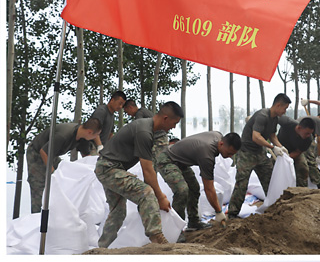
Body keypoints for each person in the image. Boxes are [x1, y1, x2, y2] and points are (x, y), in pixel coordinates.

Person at [95, 101, 184, 246]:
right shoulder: (144, 132)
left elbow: (149, 169)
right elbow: (147, 171)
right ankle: (156, 236)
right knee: (146, 193)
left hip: (108, 167)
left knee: (118, 212)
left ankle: (103, 248)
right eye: (175, 123)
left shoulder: (147, 128)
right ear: (166, 118)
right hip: (108, 169)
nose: (174, 127)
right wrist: (160, 197)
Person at [157, 131, 241, 232]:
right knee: (182, 190)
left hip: (181, 162)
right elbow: (209, 188)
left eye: (232, 154)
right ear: (221, 144)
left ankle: (193, 222)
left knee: (194, 188)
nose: (230, 156)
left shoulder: (218, 136)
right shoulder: (207, 155)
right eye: (229, 153)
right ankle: (176, 230)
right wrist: (219, 211)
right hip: (167, 159)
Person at [227, 93, 291, 219]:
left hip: (260, 152)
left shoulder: (274, 119)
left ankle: (273, 206)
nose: (285, 112)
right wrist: (273, 148)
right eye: (285, 108)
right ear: (278, 105)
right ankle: (233, 214)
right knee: (242, 183)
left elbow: (272, 135)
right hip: (246, 153)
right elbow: (256, 137)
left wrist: (281, 147)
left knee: (270, 179)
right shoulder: (262, 115)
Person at [27, 118, 102, 213]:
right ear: (90, 132)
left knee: (64, 173)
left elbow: (86, 157)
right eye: (97, 135)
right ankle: (37, 216)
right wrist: (53, 173)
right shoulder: (64, 135)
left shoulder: (83, 137)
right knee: (39, 185)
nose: (97, 138)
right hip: (37, 153)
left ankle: (58, 212)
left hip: (52, 154)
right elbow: (44, 152)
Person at [277, 115, 315, 187]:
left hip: (294, 152)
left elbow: (298, 152)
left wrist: (287, 159)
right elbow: (273, 118)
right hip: (279, 149)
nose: (308, 135)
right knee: (274, 167)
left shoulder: (308, 139)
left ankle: (301, 189)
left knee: (303, 167)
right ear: (299, 128)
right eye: (307, 133)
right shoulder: (287, 122)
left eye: (310, 133)